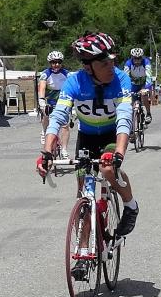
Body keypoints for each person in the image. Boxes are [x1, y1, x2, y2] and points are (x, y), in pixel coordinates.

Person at [36, 31, 139, 237]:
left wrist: (119, 152)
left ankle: (131, 205)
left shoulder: (121, 79)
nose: (111, 68)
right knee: (84, 190)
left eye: (112, 62)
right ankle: (83, 253)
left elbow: (125, 118)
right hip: (87, 137)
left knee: (108, 169)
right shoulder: (74, 82)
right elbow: (58, 117)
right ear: (88, 67)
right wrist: (47, 152)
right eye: (104, 64)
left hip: (111, 135)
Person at [37, 50, 70, 152]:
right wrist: (41, 101)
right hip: (49, 101)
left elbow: (72, 88)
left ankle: (64, 150)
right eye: (53, 62)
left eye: (59, 62)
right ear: (50, 63)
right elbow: (42, 87)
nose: (56, 65)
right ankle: (44, 130)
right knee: (45, 113)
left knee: (65, 124)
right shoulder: (45, 74)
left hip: (63, 101)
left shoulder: (66, 74)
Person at [123, 46, 153, 124]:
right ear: (132, 58)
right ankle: (134, 119)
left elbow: (149, 76)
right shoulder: (128, 63)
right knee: (131, 102)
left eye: (139, 58)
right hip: (133, 84)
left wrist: (146, 88)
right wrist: (125, 89)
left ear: (142, 57)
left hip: (144, 84)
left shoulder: (146, 62)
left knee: (144, 97)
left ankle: (148, 113)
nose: (137, 61)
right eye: (135, 58)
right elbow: (125, 77)